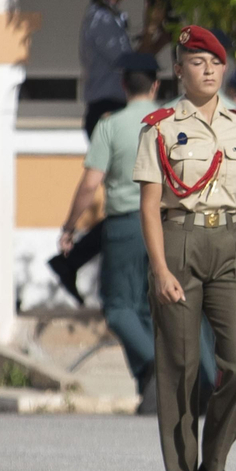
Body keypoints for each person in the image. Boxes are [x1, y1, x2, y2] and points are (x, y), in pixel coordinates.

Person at [135, 26, 236, 471]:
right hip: (178, 241)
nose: (209, 70)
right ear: (179, 70)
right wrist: (159, 267)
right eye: (197, 62)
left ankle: (212, 466)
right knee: (180, 369)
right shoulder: (158, 127)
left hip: (231, 244)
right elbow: (150, 205)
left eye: (216, 63)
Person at [57, 52, 166, 414]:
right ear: (155, 85)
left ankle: (159, 369)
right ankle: (151, 389)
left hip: (124, 224)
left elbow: (90, 184)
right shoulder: (171, 122)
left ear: (123, 85)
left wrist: (70, 226)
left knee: (119, 309)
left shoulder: (111, 125)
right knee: (148, 309)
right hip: (164, 223)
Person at [48, 0, 132, 305]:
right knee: (126, 199)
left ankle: (74, 259)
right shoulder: (100, 20)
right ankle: (74, 257)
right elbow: (128, 61)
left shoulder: (111, 17)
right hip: (106, 111)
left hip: (114, 109)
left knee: (127, 197)